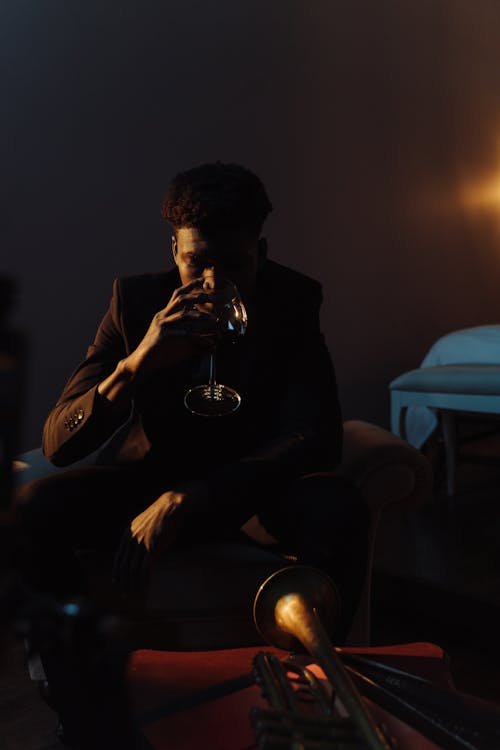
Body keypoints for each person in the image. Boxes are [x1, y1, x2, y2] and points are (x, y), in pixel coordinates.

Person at [15, 162, 369, 641]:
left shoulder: (293, 300)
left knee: (338, 504)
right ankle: (83, 674)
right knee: (33, 507)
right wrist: (137, 364)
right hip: (149, 482)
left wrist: (198, 495)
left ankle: (316, 681)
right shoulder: (135, 302)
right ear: (174, 249)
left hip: (251, 495)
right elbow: (59, 444)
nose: (211, 282)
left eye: (233, 264)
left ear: (260, 253)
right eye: (195, 262)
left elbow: (316, 436)